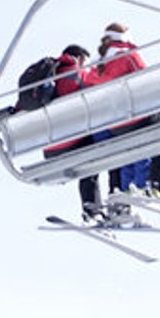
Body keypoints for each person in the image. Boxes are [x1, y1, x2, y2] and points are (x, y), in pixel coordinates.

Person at [89, 23, 160, 195]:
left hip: (113, 123)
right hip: (136, 115)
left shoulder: (96, 66)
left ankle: (127, 190)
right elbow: (145, 81)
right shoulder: (128, 56)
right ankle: (146, 186)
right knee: (158, 138)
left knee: (127, 154)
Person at [41, 44, 104, 222]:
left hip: (49, 147)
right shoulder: (77, 73)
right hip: (72, 142)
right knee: (100, 146)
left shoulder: (47, 75)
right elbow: (97, 92)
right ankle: (93, 207)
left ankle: (91, 209)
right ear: (79, 58)